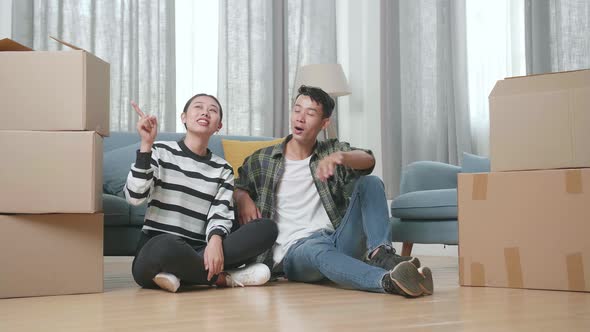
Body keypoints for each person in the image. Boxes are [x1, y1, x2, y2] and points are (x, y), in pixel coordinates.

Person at [234, 86, 433, 297]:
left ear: (324, 123)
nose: (300, 118)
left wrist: (341, 157)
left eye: (310, 114)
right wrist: (242, 197)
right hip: (296, 252)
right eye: (297, 110)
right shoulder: (262, 159)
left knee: (370, 182)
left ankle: (381, 254)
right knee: (316, 249)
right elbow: (236, 185)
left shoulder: (329, 151)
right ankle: (388, 280)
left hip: (337, 237)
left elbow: (368, 159)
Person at [125, 93, 278, 293]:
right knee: (163, 247)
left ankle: (180, 273)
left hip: (201, 250)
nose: (205, 112)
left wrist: (215, 240)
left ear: (218, 126)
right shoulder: (159, 151)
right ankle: (223, 279)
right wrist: (145, 146)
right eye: (198, 107)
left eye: (212, 110)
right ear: (184, 117)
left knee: (267, 229)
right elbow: (134, 197)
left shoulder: (222, 168)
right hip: (159, 246)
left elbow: (220, 213)